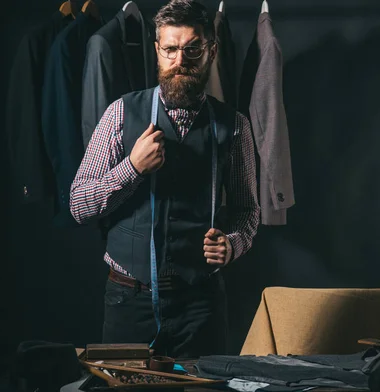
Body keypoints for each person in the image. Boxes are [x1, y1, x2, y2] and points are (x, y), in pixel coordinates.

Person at [70, 0, 260, 358]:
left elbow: (248, 210)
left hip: (200, 305)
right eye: (170, 50)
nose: (180, 62)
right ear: (157, 50)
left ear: (211, 50)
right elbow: (79, 205)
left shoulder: (234, 126)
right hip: (129, 301)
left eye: (192, 50)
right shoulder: (120, 114)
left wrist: (233, 244)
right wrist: (132, 168)